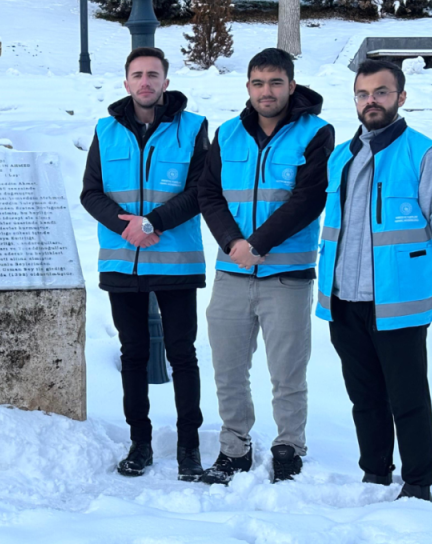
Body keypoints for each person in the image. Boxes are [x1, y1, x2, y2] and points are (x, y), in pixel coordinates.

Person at [315, 59, 432, 503]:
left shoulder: (426, 155)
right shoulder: (342, 156)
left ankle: (417, 484)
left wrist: (410, 276)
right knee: (364, 396)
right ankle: (375, 472)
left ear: (401, 97)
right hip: (343, 299)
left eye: (380, 92)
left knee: (408, 397)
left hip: (399, 304)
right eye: (362, 93)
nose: (371, 101)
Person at [198, 48, 335, 485]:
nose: (266, 92)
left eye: (276, 83)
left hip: (287, 277)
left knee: (287, 372)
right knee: (228, 370)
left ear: (291, 85)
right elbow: (209, 195)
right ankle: (234, 448)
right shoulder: (228, 133)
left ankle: (288, 448)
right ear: (248, 87)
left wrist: (258, 244)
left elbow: (309, 199)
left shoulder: (316, 133)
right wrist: (234, 243)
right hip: (232, 273)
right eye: (258, 83)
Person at [80, 47, 210, 481]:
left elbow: (200, 190)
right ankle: (140, 442)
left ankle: (189, 446)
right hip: (123, 261)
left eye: (153, 74)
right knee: (133, 354)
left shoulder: (193, 128)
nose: (145, 82)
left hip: (176, 262)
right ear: (126, 82)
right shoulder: (106, 130)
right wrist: (128, 227)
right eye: (137, 75)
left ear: (166, 82)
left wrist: (152, 223)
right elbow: (91, 192)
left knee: (182, 355)